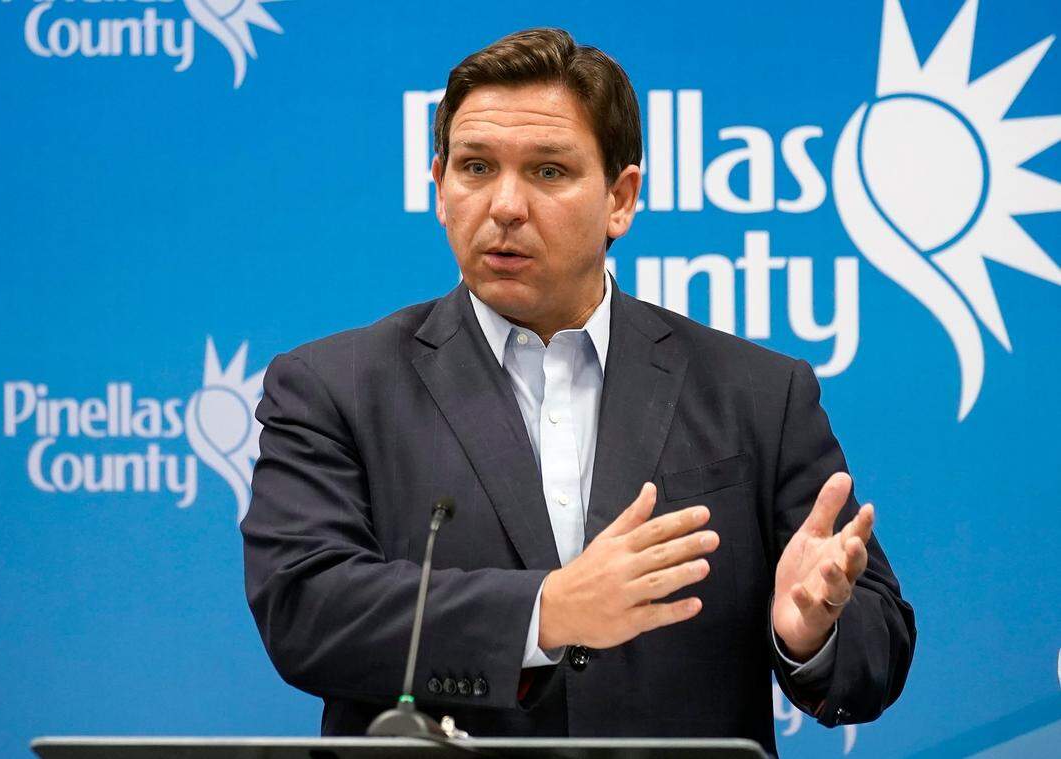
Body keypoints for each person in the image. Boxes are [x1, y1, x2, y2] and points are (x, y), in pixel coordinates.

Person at [241, 28, 915, 754]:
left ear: (620, 199)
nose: (505, 205)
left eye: (549, 171)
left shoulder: (757, 393)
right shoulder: (334, 386)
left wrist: (809, 633)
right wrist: (545, 611)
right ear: (439, 186)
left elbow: (878, 640)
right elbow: (306, 606)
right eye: (475, 167)